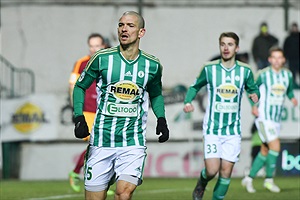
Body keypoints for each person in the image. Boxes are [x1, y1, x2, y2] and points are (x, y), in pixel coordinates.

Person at [72, 11, 169, 200]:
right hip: (102, 140)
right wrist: (78, 117)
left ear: (141, 32)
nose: (124, 29)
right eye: (121, 25)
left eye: (130, 25)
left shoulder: (152, 65)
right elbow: (79, 86)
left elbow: (156, 94)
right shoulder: (102, 58)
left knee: (124, 193)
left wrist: (162, 119)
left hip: (133, 142)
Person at [183, 32, 260, 200]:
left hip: (232, 131)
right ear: (219, 47)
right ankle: (202, 182)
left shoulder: (245, 71)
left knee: (226, 172)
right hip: (212, 129)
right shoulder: (209, 68)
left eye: (230, 44)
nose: (226, 48)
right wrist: (188, 101)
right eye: (223, 44)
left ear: (237, 48)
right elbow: (195, 86)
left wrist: (255, 99)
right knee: (212, 170)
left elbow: (253, 89)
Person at [242, 47, 298, 193]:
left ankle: (249, 179)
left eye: (280, 57)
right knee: (275, 147)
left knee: (265, 150)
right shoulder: (263, 74)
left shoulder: (288, 75)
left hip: (276, 119)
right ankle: (268, 180)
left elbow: (289, 89)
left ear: (284, 59)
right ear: (270, 59)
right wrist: (254, 105)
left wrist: (292, 98)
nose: (277, 60)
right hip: (263, 117)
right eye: (274, 57)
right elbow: (251, 88)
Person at [68, 33, 111, 193]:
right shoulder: (81, 63)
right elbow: (73, 86)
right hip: (87, 110)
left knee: (100, 146)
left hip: (104, 110)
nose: (94, 49)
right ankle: (88, 177)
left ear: (103, 45)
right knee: (97, 144)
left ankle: (86, 176)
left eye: (97, 46)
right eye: (91, 46)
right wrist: (76, 111)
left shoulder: (109, 60)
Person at [283, 22, 299, 87]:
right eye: (293, 28)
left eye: (295, 28)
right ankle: (293, 84)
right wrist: (285, 57)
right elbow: (285, 48)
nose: (294, 29)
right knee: (292, 73)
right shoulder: (288, 38)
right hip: (291, 59)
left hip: (298, 58)